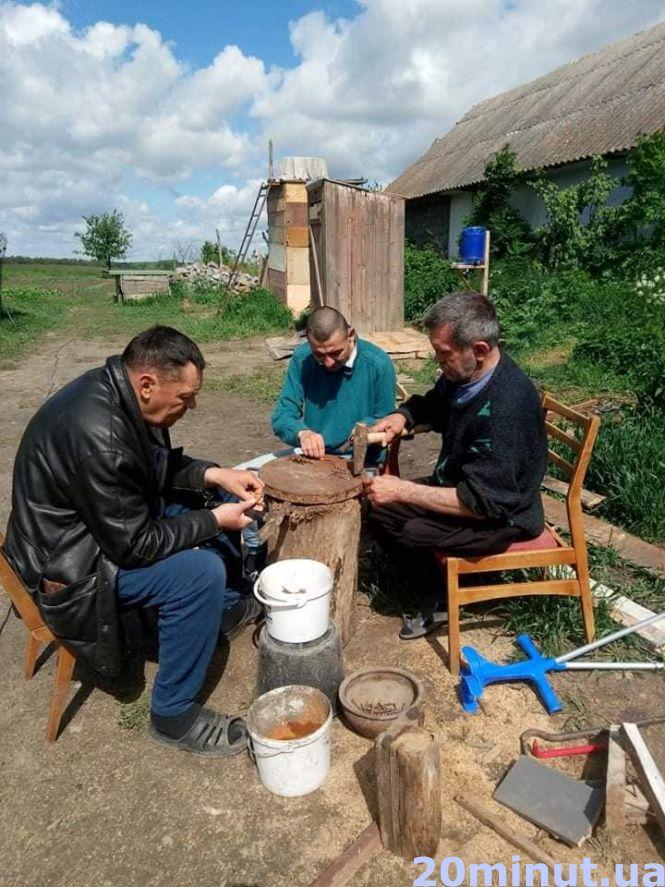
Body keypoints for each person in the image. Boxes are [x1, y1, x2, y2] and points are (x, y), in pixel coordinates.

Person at [4, 326, 264, 756]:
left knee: (211, 496)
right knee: (198, 573)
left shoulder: (118, 393)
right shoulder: (100, 435)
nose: (192, 405)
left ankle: (220, 611)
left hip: (95, 532)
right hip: (71, 567)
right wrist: (217, 520)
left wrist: (215, 474)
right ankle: (173, 715)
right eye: (185, 397)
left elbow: (151, 466)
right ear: (147, 384)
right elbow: (135, 547)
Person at [365, 291, 548, 639]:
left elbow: (482, 503)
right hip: (466, 488)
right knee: (376, 506)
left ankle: (442, 599)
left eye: (443, 354)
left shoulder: (506, 407)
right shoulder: (463, 376)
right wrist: (402, 416)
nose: (438, 361)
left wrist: (404, 489)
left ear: (478, 350)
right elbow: (435, 402)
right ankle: (450, 580)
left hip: (503, 515)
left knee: (414, 531)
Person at [271, 306, 397, 458]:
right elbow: (283, 415)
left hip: (362, 459)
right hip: (315, 457)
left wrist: (367, 428)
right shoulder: (303, 359)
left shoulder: (377, 364)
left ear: (350, 334)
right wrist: (302, 433)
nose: (329, 363)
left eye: (336, 353)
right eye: (319, 355)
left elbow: (388, 419)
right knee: (248, 476)